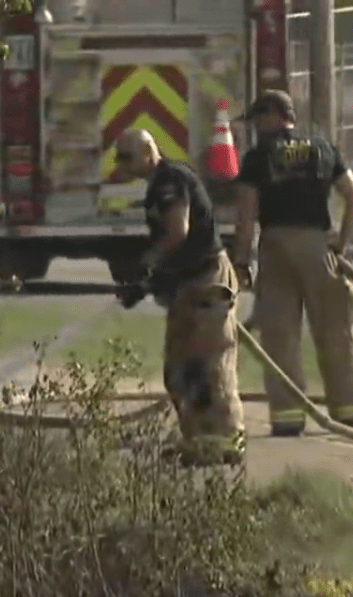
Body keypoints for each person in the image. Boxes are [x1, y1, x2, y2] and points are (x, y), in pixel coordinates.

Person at [231, 90, 353, 437]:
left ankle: (288, 416)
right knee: (338, 328)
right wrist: (341, 243)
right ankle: (350, 408)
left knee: (279, 334)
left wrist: (242, 262)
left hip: (275, 247)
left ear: (272, 116)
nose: (256, 127)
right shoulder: (323, 148)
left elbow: (246, 215)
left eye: (259, 119)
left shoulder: (258, 157)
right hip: (319, 245)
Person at [113, 128, 245, 464]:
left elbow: (177, 233)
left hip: (208, 278)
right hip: (189, 283)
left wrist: (145, 266)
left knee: (209, 364)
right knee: (179, 367)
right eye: (117, 157)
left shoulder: (170, 181)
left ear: (148, 151)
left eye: (126, 156)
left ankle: (226, 441)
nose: (121, 165)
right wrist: (149, 283)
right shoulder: (159, 184)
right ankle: (198, 441)